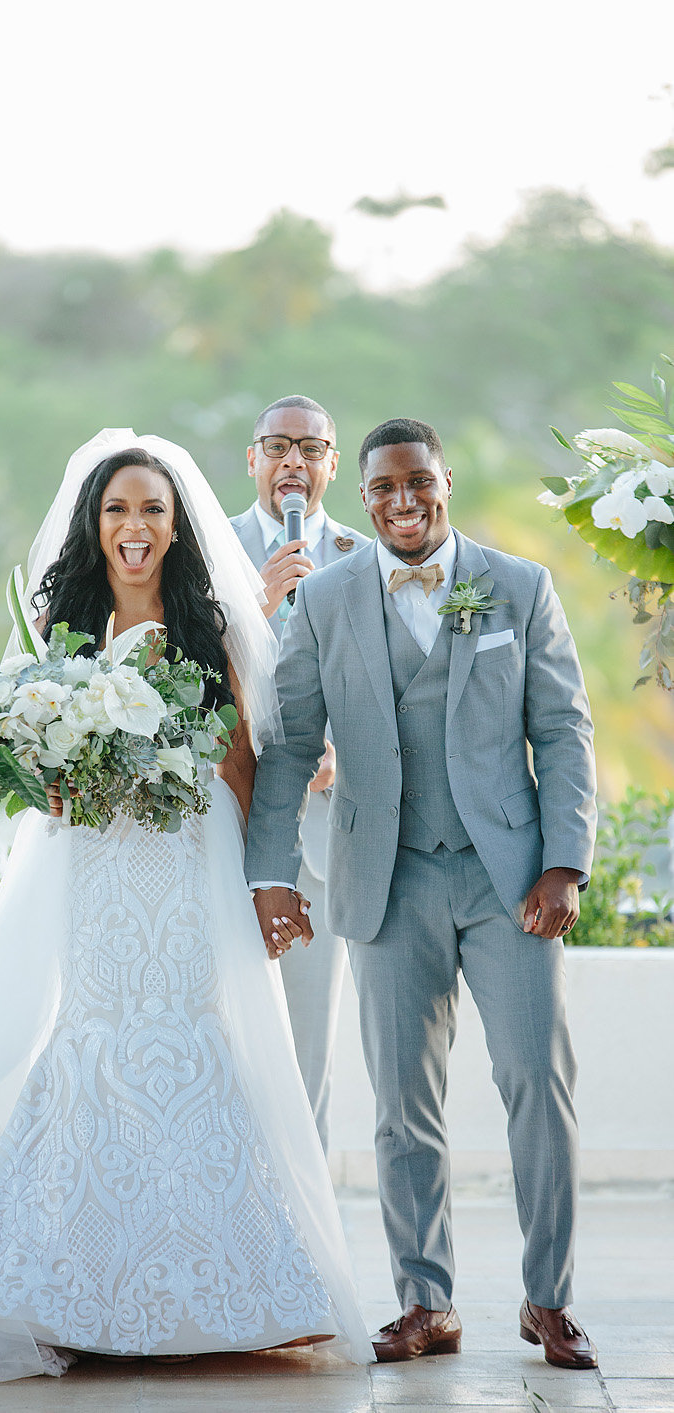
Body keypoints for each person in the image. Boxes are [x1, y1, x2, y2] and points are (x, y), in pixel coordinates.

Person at [0, 430, 371, 1384]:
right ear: (94, 525)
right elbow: (29, 762)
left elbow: (243, 763)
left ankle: (216, 1293)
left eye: (152, 510)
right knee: (94, 1033)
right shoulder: (61, 627)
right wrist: (49, 776)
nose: (134, 527)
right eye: (117, 509)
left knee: (189, 1036)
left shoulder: (211, 627)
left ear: (179, 529)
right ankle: (65, 1287)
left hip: (187, 867)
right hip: (99, 869)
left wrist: (272, 880)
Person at [245, 417, 599, 1370]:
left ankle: (549, 1299)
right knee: (403, 1104)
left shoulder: (520, 586)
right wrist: (270, 871)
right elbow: (285, 749)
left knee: (538, 1083)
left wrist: (565, 861)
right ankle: (425, 1301)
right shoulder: (322, 601)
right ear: (360, 497)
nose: (403, 501)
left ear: (445, 480)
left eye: (419, 483)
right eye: (383, 489)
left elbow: (564, 730)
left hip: (509, 882)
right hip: (387, 879)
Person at [230, 395, 370, 1153]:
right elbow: (179, 673)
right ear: (251, 458)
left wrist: (344, 746)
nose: (294, 462)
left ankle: (306, 1242)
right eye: (278, 446)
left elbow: (397, 688)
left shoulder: (365, 555)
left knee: (306, 1053)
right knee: (223, 1046)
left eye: (311, 449)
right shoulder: (203, 546)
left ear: (332, 466)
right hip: (221, 824)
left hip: (321, 839)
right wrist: (259, 598)